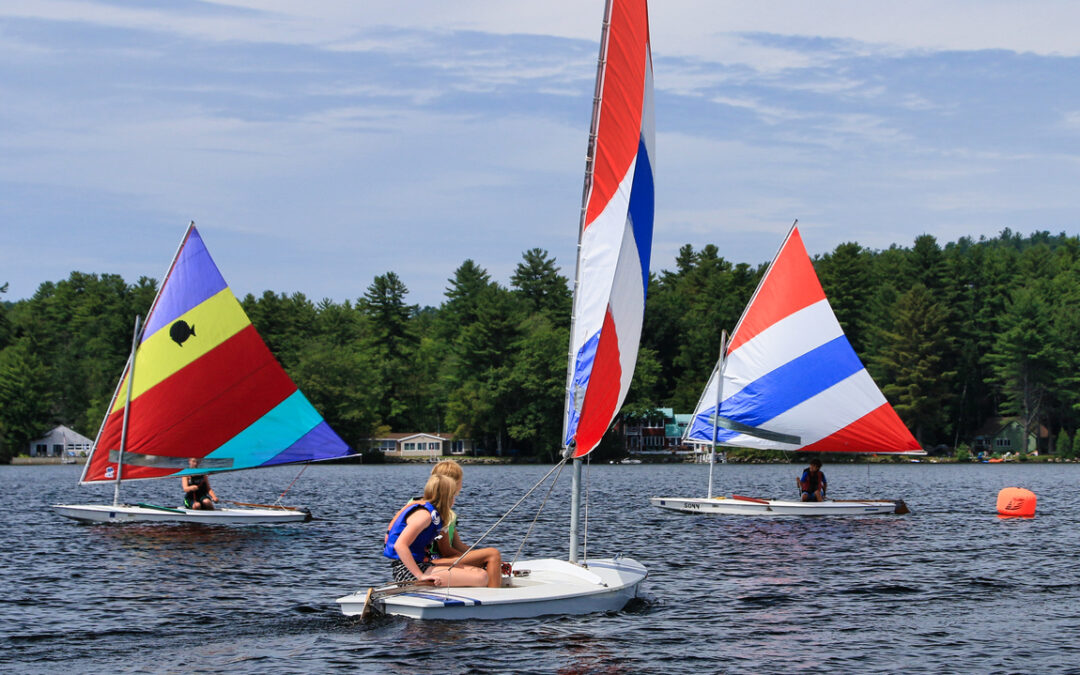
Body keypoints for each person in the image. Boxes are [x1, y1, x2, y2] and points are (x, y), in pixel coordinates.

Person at [384, 474, 489, 588]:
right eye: (453, 495)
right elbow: (400, 545)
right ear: (447, 497)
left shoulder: (433, 514)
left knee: (479, 572)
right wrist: (420, 576)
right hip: (406, 572)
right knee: (481, 578)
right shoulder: (424, 516)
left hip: (422, 565)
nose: (454, 500)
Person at [427, 460, 503, 588]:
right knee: (493, 554)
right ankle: (494, 599)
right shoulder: (440, 512)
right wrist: (478, 559)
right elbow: (446, 551)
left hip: (437, 559)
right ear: (454, 483)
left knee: (489, 557)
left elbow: (457, 544)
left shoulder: (437, 509)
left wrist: (476, 555)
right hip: (432, 561)